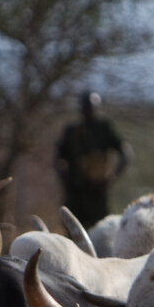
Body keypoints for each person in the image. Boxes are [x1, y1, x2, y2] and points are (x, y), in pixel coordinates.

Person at [55, 91, 132, 227]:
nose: (89, 110)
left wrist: (112, 177)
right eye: (86, 106)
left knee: (100, 232)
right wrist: (64, 178)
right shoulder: (71, 131)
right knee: (73, 233)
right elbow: (58, 157)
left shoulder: (105, 129)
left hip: (97, 194)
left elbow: (126, 154)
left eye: (92, 106)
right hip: (75, 193)